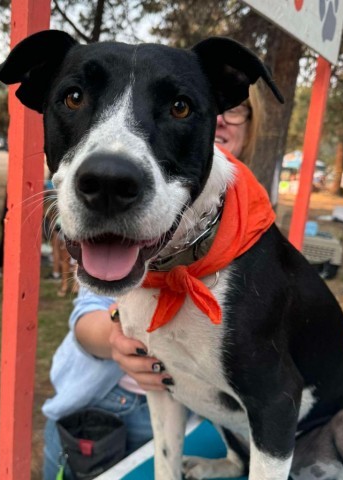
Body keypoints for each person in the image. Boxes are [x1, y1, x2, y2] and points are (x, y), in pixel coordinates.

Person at [42, 85, 264, 480]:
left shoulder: (252, 216)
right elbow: (86, 318)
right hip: (108, 403)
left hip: (197, 412)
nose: (220, 118)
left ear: (251, 125)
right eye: (182, 107)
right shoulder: (135, 189)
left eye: (235, 110)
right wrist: (116, 338)